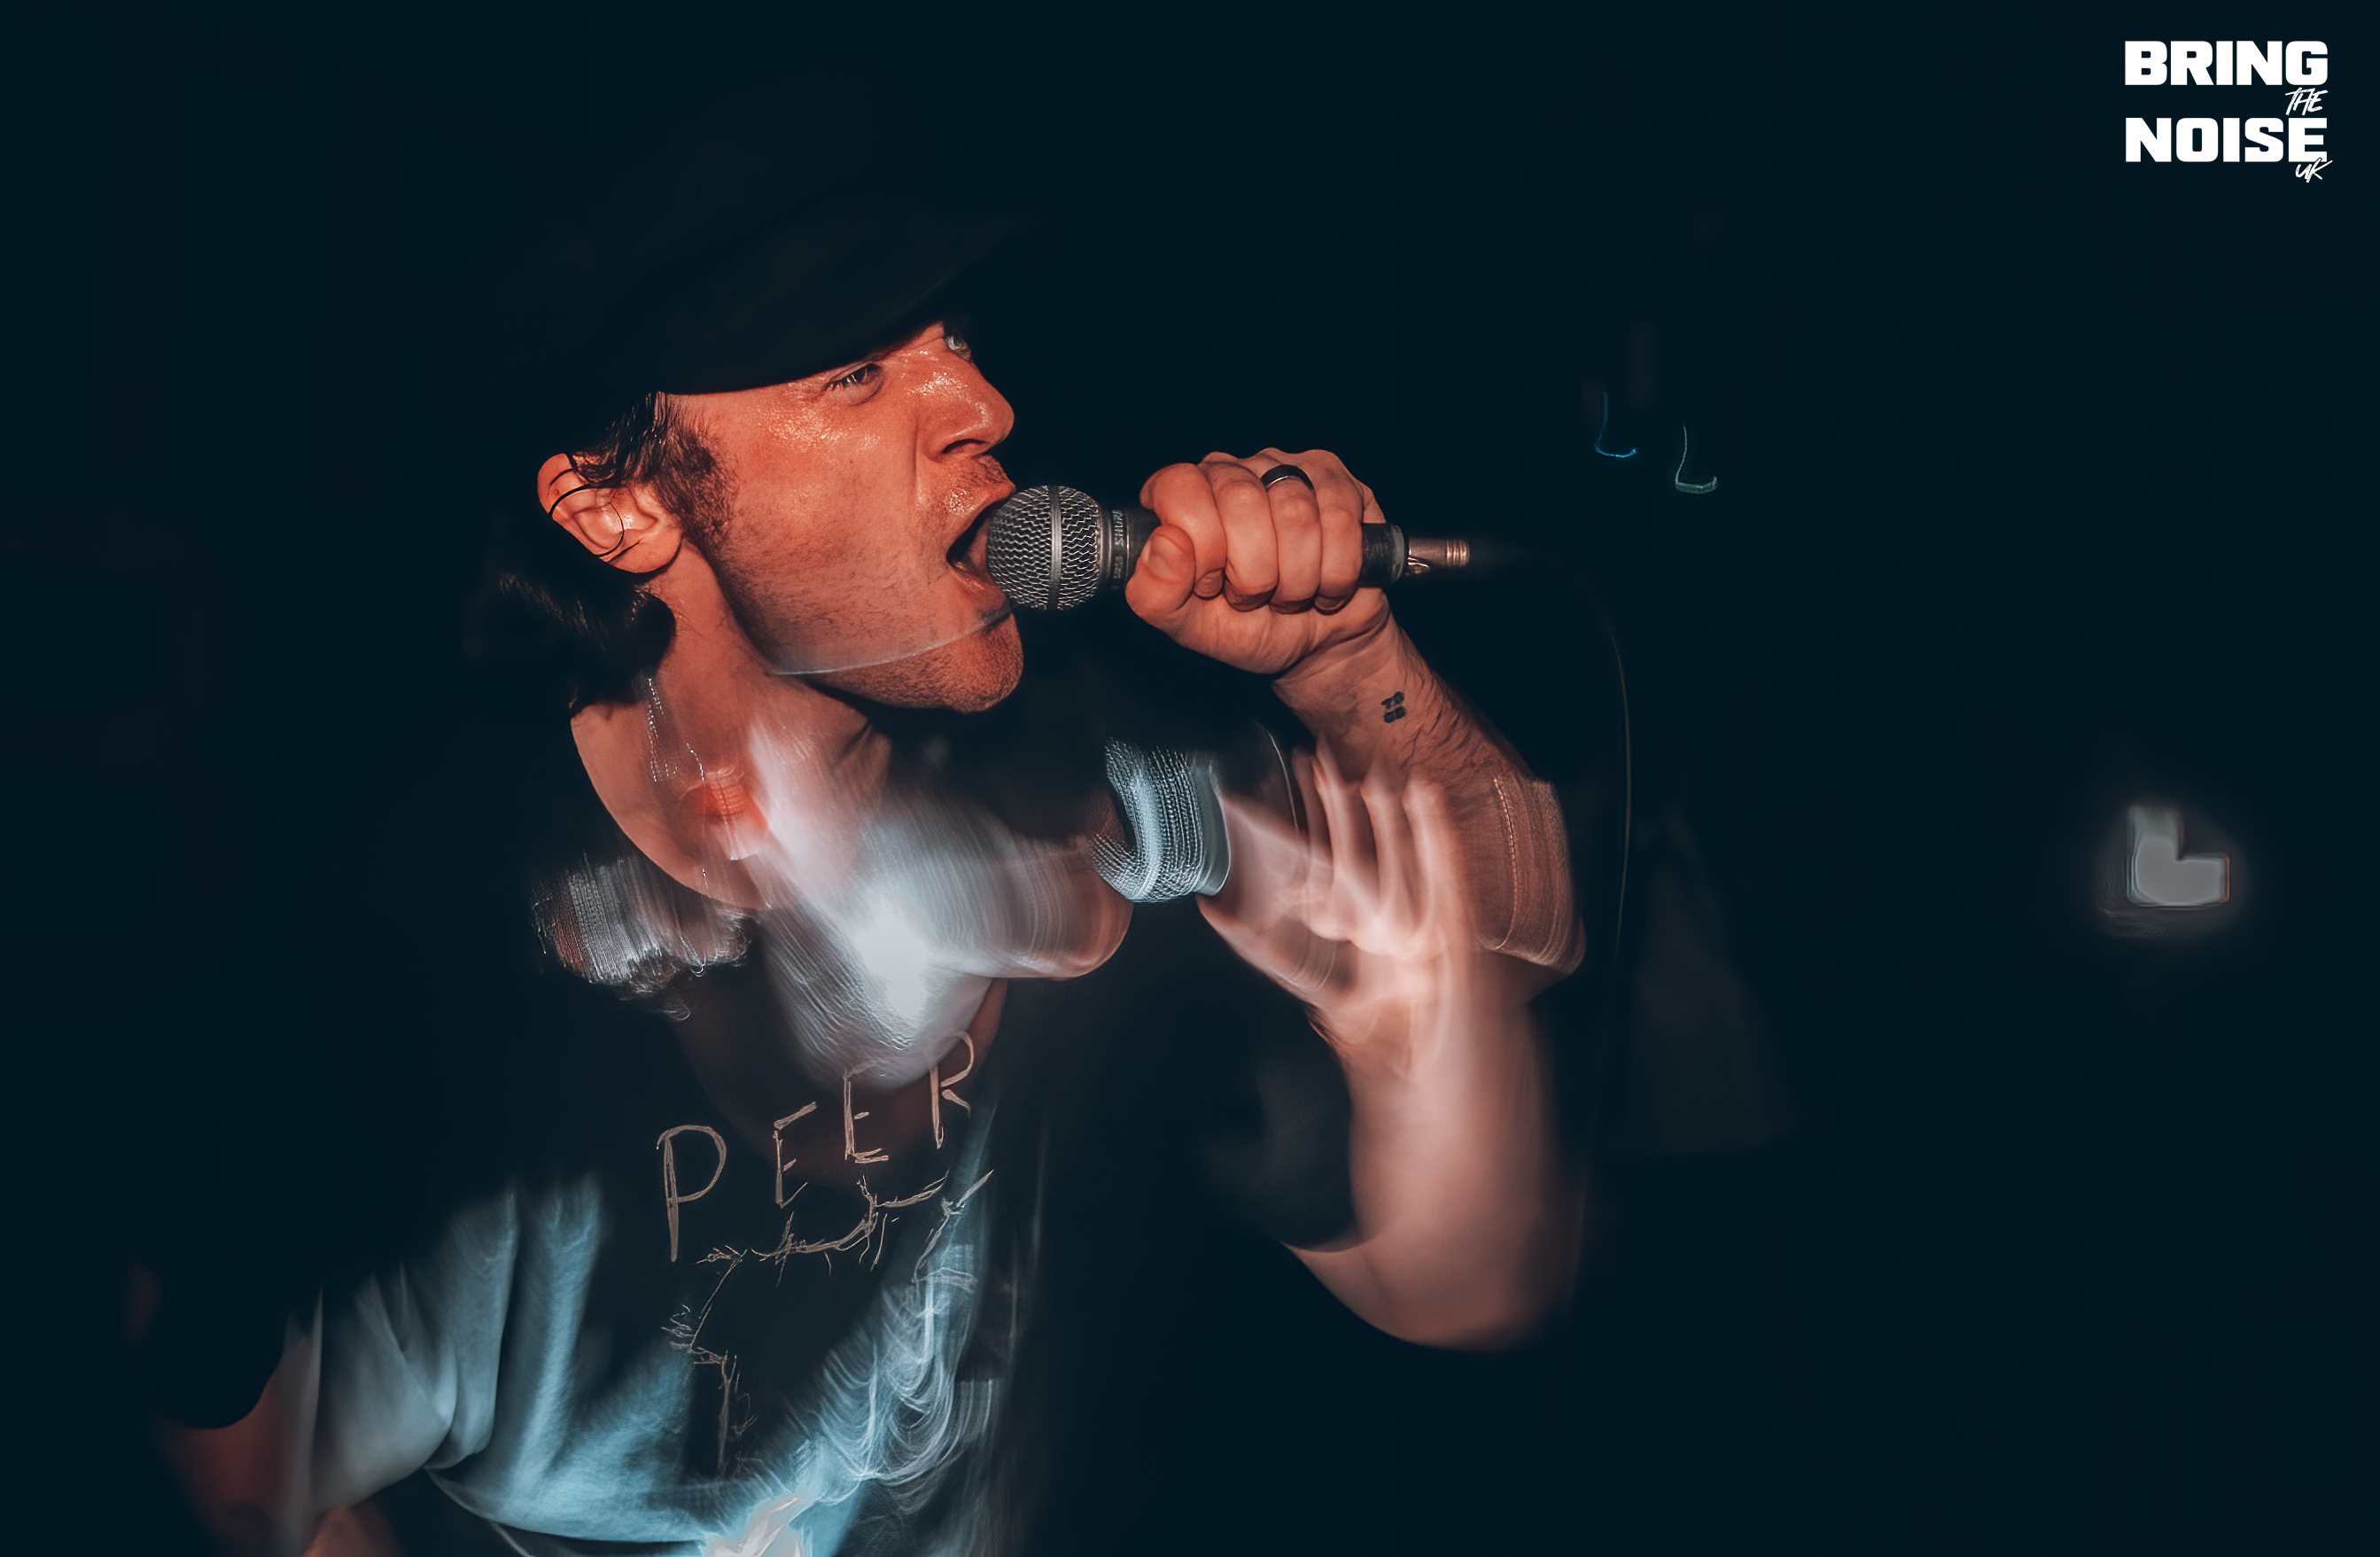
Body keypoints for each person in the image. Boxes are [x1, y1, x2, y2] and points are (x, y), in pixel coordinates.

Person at [145, 82, 1585, 1557]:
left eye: (953, 339)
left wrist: (1347, 665)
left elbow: (1475, 1226)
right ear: (618, 506)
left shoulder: (1092, 802)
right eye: (854, 374)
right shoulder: (415, 930)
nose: (984, 408)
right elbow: (228, 1462)